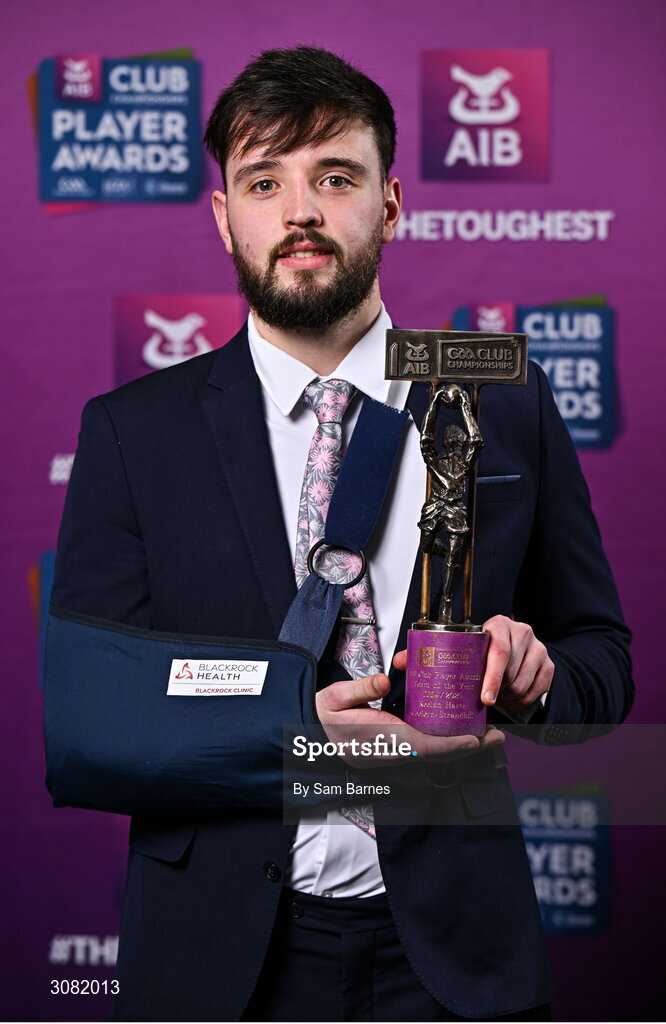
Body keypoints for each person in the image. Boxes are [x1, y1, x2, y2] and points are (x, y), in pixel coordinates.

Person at [45, 46, 633, 1022]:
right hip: (222, 956)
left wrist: (537, 676)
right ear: (225, 215)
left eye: (335, 176)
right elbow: (91, 727)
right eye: (264, 181)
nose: (300, 210)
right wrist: (298, 732)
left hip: (451, 950)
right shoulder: (132, 431)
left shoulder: (501, 394)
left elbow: (601, 667)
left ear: (391, 203)